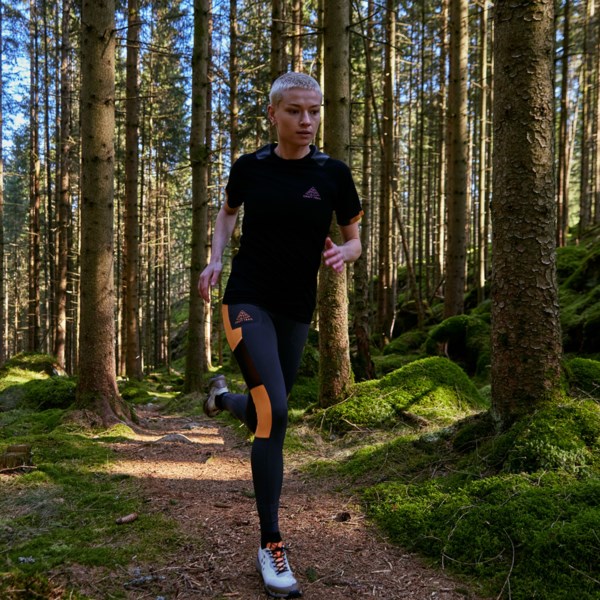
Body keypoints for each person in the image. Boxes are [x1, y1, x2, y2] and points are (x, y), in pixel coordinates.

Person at [198, 72, 363, 599]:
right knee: (277, 413)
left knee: (267, 410)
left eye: (314, 111)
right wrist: (216, 258)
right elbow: (227, 214)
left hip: (297, 308)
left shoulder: (333, 173)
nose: (306, 121)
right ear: (273, 114)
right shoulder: (250, 167)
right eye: (294, 111)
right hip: (246, 299)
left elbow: (355, 238)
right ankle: (271, 544)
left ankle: (222, 399)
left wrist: (344, 252)